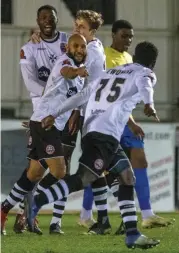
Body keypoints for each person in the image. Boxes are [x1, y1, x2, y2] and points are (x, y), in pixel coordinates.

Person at [28, 41, 161, 249]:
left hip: (92, 130)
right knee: (84, 178)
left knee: (127, 177)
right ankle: (37, 202)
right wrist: (149, 104)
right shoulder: (146, 73)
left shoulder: (111, 72)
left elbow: (83, 95)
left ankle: (132, 233)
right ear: (153, 63)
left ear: (134, 56)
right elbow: (145, 85)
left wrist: (55, 113)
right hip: (105, 134)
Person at [1, 33, 88, 236]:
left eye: (83, 47)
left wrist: (76, 112)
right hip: (44, 125)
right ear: (68, 48)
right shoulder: (64, 62)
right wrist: (78, 71)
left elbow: (76, 98)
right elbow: (67, 72)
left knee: (34, 174)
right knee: (59, 172)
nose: (80, 50)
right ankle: (31, 209)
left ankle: (4, 210)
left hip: (46, 124)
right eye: (76, 46)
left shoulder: (82, 78)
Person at [31, 10, 107, 229]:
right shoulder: (94, 45)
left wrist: (72, 112)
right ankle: (68, 219)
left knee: (77, 164)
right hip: (82, 112)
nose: (76, 30)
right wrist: (37, 37)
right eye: (75, 25)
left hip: (81, 113)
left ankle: (53, 217)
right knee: (85, 165)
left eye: (81, 27)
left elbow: (84, 88)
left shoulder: (91, 50)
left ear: (91, 31)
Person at [104, 19, 174, 231]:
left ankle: (146, 214)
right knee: (101, 171)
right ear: (113, 35)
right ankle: (91, 216)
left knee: (138, 162)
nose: (128, 40)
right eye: (124, 35)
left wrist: (133, 121)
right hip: (109, 119)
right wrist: (147, 106)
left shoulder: (129, 59)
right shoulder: (104, 56)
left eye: (130, 37)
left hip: (124, 118)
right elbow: (111, 96)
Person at [13, 5, 69, 235]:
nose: (47, 21)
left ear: (57, 20)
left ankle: (22, 213)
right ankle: (24, 212)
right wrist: (54, 95)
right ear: (37, 20)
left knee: (39, 170)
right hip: (43, 117)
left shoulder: (68, 41)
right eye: (43, 18)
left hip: (64, 116)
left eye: (51, 18)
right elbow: (31, 84)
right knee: (43, 169)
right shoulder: (29, 48)